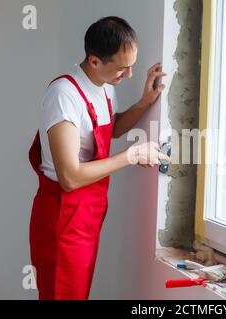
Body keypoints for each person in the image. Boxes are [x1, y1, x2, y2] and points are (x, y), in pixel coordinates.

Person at [28, 16, 169, 300]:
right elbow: (69, 178)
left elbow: (110, 129)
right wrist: (131, 155)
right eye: (122, 68)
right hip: (63, 214)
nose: (128, 75)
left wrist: (144, 102)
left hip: (88, 213)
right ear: (94, 61)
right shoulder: (64, 95)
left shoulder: (105, 88)